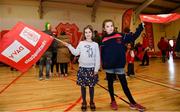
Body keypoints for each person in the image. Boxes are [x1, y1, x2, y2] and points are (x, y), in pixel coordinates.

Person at [100, 19, 145, 111]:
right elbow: (102, 54)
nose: (110, 28)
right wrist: (103, 65)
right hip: (109, 67)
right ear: (104, 29)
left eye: (111, 25)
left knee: (124, 85)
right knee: (110, 84)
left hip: (119, 66)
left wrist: (140, 28)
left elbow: (133, 37)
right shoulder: (103, 40)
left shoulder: (121, 36)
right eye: (107, 26)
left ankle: (132, 103)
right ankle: (112, 100)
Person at [62, 25, 100, 111]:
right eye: (86, 32)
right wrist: (68, 45)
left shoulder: (95, 44)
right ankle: (84, 102)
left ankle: (91, 101)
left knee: (91, 87)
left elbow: (97, 57)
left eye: (89, 32)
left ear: (92, 33)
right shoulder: (81, 43)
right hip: (83, 68)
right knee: (83, 87)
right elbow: (75, 53)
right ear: (84, 34)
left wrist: (96, 69)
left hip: (91, 69)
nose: (88, 34)